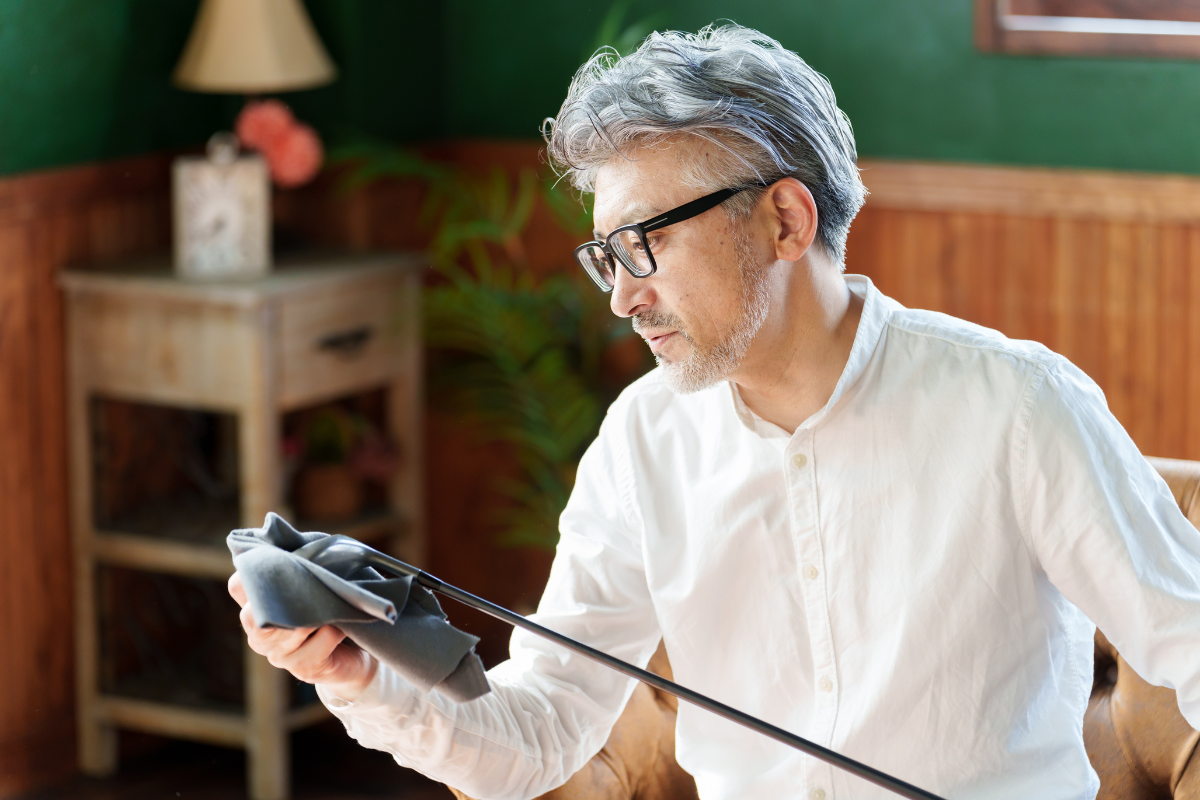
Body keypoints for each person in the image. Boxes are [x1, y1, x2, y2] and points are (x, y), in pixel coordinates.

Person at [228, 24, 1200, 800]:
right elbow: (537, 735)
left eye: (643, 244)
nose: (619, 296)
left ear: (785, 219)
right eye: (604, 256)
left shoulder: (1019, 404)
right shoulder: (642, 442)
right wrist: (362, 673)